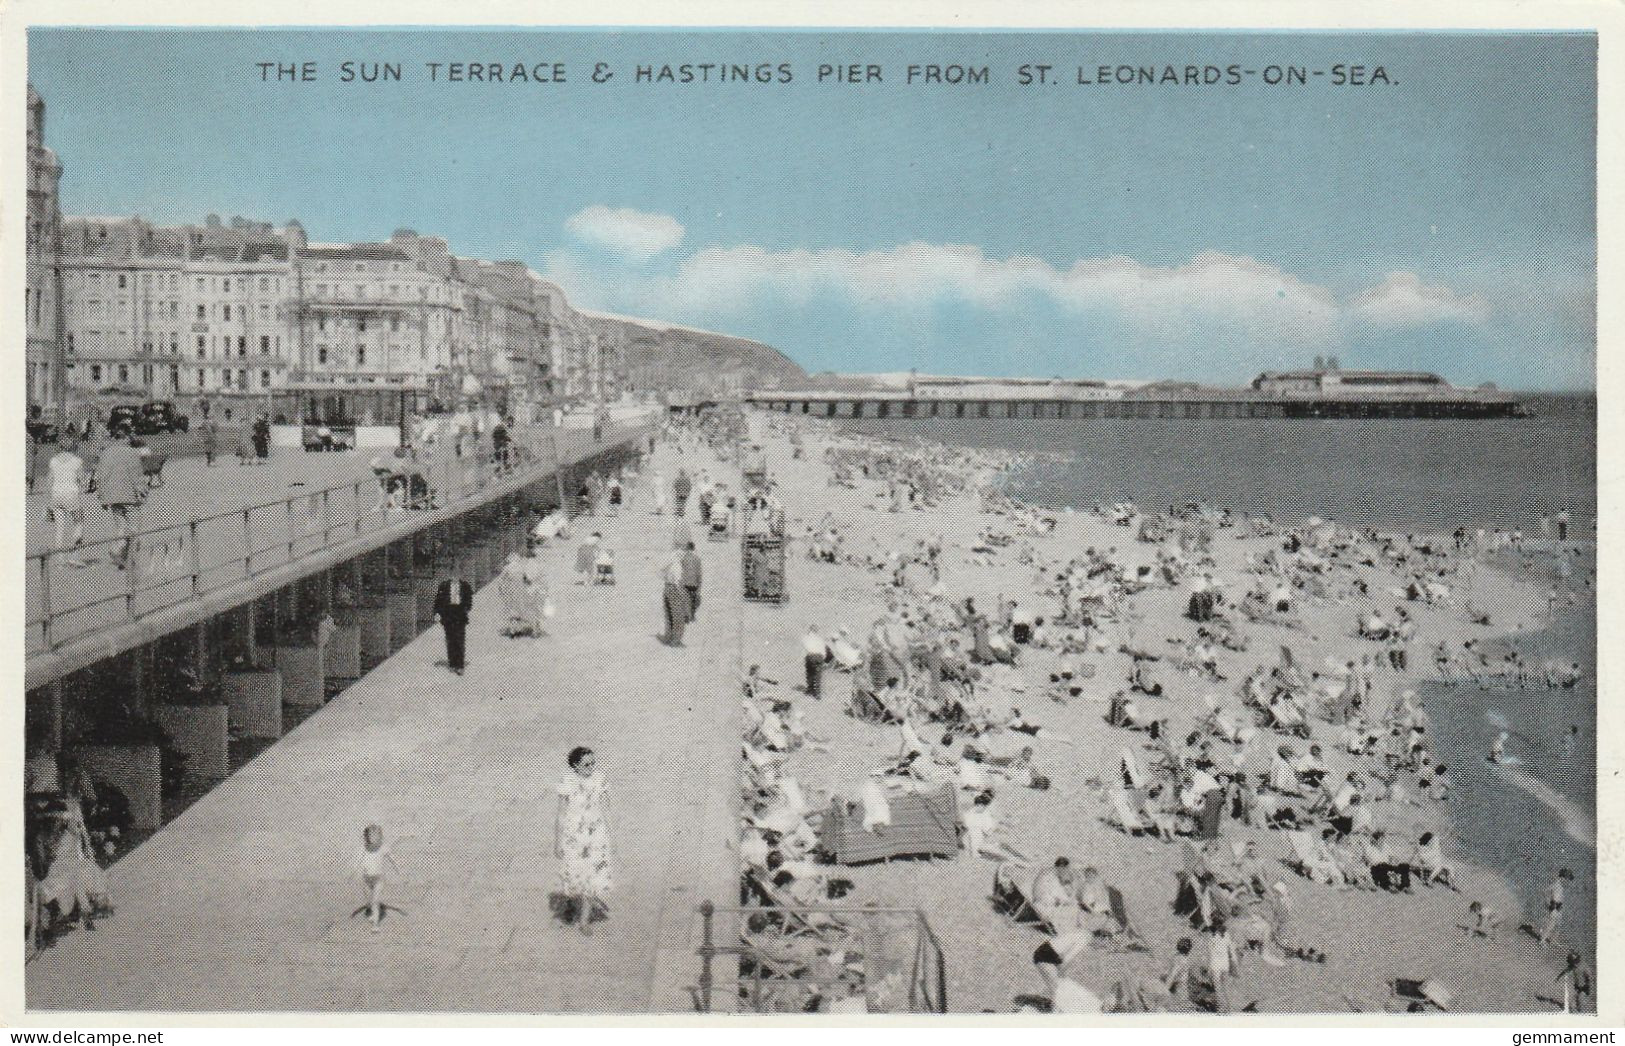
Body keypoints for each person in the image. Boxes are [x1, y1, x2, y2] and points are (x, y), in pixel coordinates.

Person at [554, 746, 613, 934]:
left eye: (593, 763)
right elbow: (561, 814)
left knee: (592, 878)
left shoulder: (599, 778)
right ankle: (571, 901)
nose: (591, 767)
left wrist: (612, 836)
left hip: (596, 834)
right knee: (573, 875)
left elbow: (606, 809)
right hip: (574, 836)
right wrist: (557, 841)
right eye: (587, 764)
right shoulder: (568, 781)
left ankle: (584, 920)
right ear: (576, 766)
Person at [94, 426, 147, 571]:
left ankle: (122, 554)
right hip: (129, 495)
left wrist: (101, 495)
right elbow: (136, 475)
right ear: (125, 438)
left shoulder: (105, 453)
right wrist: (142, 491)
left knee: (120, 526)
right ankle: (120, 551)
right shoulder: (131, 453)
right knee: (134, 526)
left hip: (112, 496)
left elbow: (101, 476)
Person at [47, 436, 89, 566]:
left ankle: (59, 559)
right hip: (71, 495)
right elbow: (83, 481)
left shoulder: (53, 460)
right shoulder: (77, 461)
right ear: (72, 447)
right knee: (79, 523)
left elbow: (49, 481)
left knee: (59, 527)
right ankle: (74, 555)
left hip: (56, 495)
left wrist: (48, 501)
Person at [357, 824, 402, 931]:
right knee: (370, 900)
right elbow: (359, 862)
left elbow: (392, 859)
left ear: (380, 837)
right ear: (366, 837)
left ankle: (376, 925)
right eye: (370, 836)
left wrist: (398, 869)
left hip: (378, 880)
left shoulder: (383, 848)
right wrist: (353, 872)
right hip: (367, 879)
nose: (372, 838)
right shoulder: (364, 848)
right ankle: (372, 911)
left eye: (375, 836)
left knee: (375, 901)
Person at [432, 572, 473, 675]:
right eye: (453, 574)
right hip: (448, 615)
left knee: (459, 639)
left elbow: (469, 600)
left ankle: (460, 665)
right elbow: (438, 600)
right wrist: (437, 613)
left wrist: (466, 609)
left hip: (459, 614)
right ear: (450, 575)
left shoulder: (465, 586)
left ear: (460, 575)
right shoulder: (444, 586)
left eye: (457, 574)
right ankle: (452, 663)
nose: (455, 576)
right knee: (450, 640)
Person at [661, 552, 691, 646]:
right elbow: (678, 583)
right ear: (680, 558)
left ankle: (668, 638)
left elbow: (662, 575)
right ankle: (675, 641)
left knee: (669, 616)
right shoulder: (678, 567)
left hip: (667, 588)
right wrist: (684, 597)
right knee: (678, 617)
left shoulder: (669, 565)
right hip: (675, 590)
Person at [1538, 868, 1573, 944]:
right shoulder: (1556, 884)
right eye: (1567, 879)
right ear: (1563, 877)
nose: (1567, 881)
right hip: (1553, 906)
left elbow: (1558, 897)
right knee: (1551, 923)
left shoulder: (1560, 886)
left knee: (1557, 924)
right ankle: (1542, 940)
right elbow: (1545, 892)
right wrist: (1548, 903)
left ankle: (1550, 940)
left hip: (1558, 907)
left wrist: (1559, 906)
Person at [802, 625, 830, 697]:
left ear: (810, 630)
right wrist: (823, 659)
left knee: (810, 673)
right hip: (819, 657)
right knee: (818, 675)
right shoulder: (819, 639)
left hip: (810, 656)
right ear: (816, 631)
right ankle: (817, 693)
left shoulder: (806, 638)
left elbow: (805, 647)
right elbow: (823, 650)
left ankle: (810, 689)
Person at [681, 540, 703, 621]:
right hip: (694, 583)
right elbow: (699, 573)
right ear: (694, 548)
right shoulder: (697, 559)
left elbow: (680, 571)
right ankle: (692, 615)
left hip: (685, 582)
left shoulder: (683, 558)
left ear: (687, 548)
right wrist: (699, 584)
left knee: (685, 599)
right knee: (694, 599)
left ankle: (686, 615)